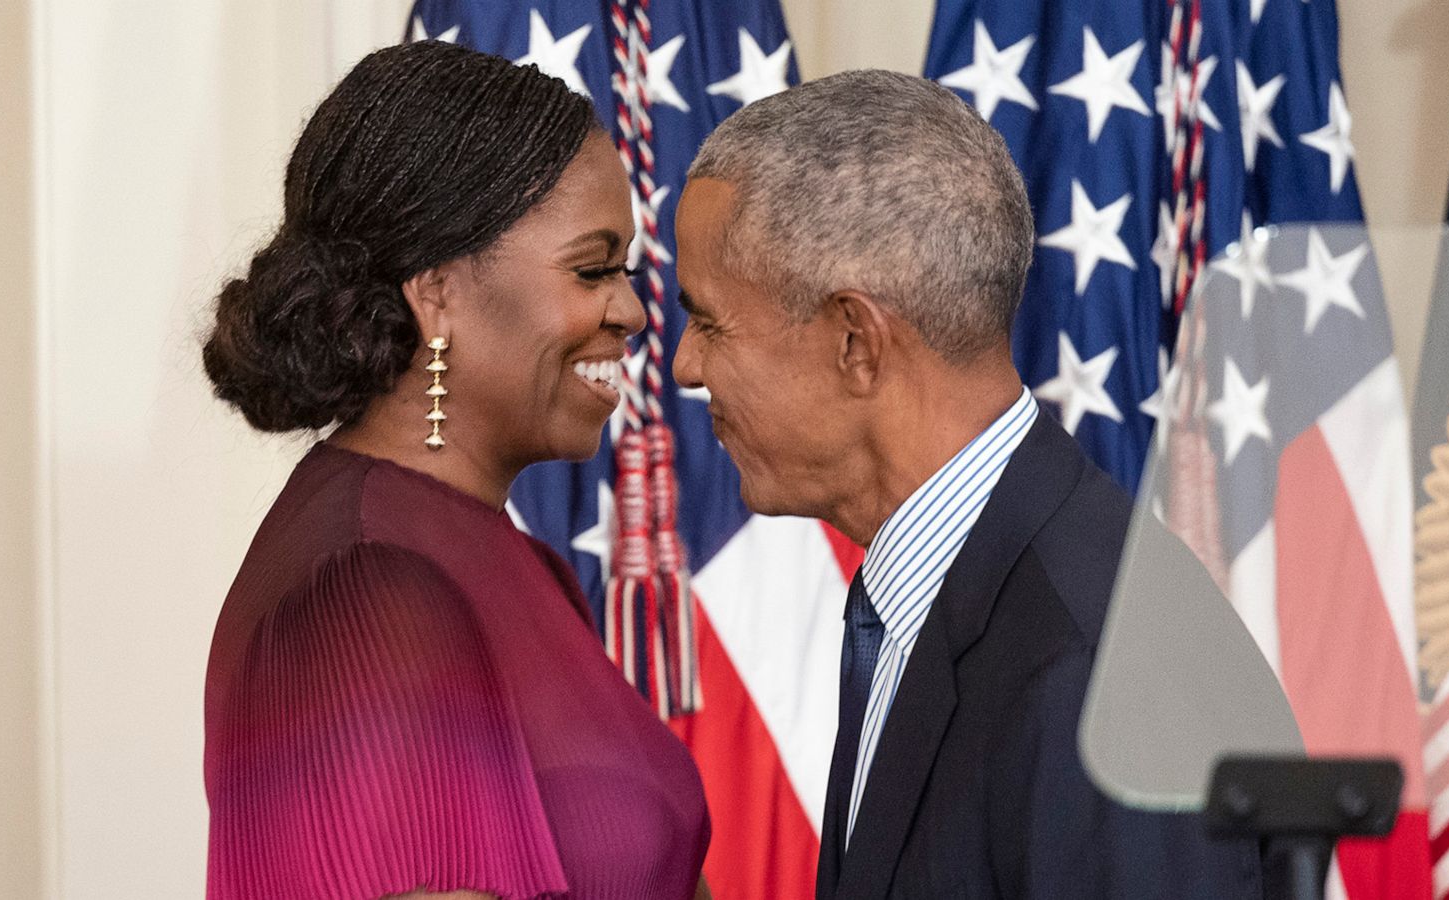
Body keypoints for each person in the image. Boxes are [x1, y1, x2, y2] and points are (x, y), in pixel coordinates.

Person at [672, 70, 1261, 899]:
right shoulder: (946, 595)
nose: (684, 366)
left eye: (708, 322)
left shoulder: (1095, 676)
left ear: (855, 342)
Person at [201, 41, 709, 900]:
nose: (629, 310)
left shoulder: (513, 562)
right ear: (435, 291)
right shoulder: (367, 586)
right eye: (592, 269)